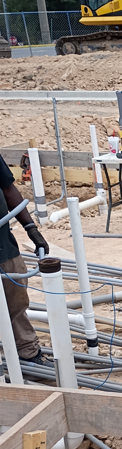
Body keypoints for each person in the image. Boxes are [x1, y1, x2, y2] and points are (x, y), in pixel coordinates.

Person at [0, 152, 49, 366]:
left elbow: (8, 188)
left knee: (16, 302)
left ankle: (28, 353)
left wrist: (31, 228)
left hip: (4, 246)